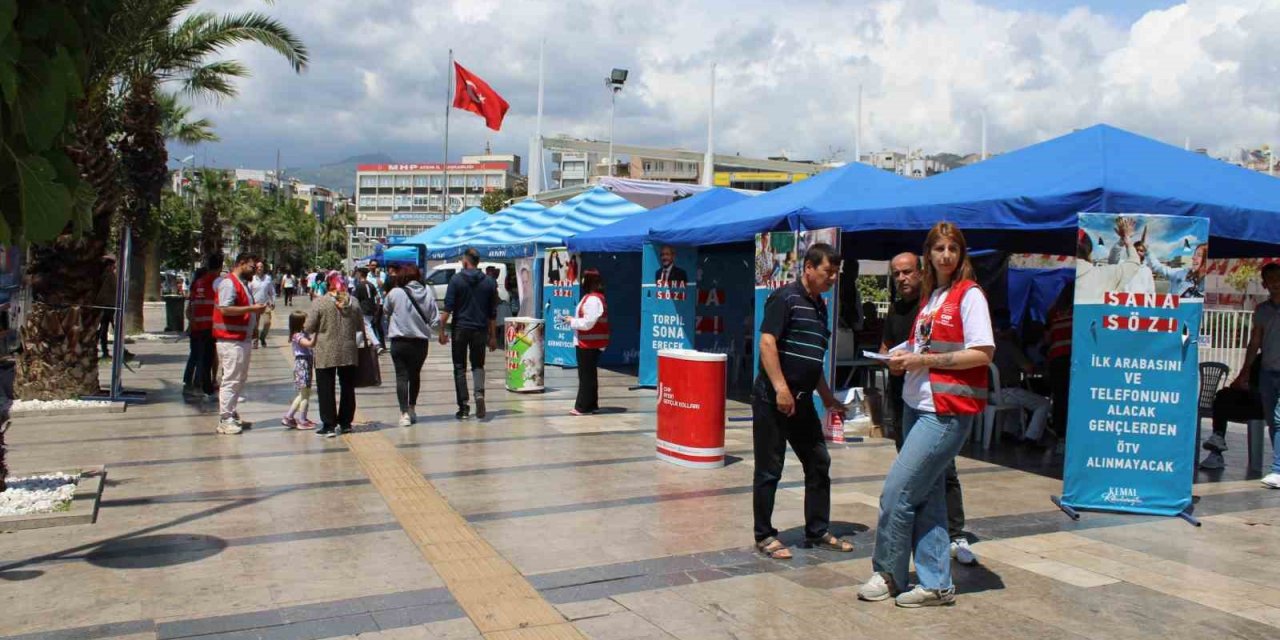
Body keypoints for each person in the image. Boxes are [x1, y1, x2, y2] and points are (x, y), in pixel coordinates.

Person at [860, 222, 994, 608]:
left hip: (945, 410)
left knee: (896, 493)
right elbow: (922, 342)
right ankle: (936, 583)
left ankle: (888, 573)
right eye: (939, 249)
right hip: (917, 405)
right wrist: (901, 355)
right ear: (928, 255)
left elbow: (983, 352)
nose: (946, 255)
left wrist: (922, 358)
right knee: (928, 498)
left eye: (953, 248)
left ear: (961, 253)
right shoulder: (933, 296)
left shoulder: (970, 296)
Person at [752, 243, 853, 561]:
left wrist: (827, 397)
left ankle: (818, 530)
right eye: (828, 271)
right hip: (773, 399)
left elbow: (814, 359)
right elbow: (767, 342)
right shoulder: (784, 298)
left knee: (818, 462)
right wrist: (781, 388)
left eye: (836, 272)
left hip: (803, 400)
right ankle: (765, 535)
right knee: (770, 469)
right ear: (808, 267)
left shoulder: (820, 305)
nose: (833, 278)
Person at [879, 252, 977, 567]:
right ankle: (924, 550)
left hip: (937, 402)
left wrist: (920, 361)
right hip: (905, 399)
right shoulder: (897, 309)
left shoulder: (941, 303)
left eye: (907, 272)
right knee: (914, 479)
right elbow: (889, 347)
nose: (902, 279)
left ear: (922, 272)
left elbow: (978, 350)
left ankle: (955, 533)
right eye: (896, 274)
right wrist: (890, 361)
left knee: (938, 473)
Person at [1230, 263, 1280, 488]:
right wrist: (1245, 371)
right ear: (1265, 283)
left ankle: (1278, 469)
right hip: (1268, 372)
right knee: (1272, 420)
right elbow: (1255, 342)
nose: (1276, 283)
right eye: (1271, 279)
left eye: (1279, 278)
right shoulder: (1262, 311)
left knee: (1279, 418)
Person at [439, 248, 498, 420]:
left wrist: (441, 331)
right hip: (480, 329)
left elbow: (447, 309)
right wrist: (493, 336)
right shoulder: (489, 282)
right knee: (478, 365)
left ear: (465, 261)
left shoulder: (456, 280)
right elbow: (492, 313)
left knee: (459, 367)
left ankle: (463, 407)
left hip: (460, 329)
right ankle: (479, 394)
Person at [213, 253, 268, 435]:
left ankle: (231, 413)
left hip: (240, 339)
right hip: (231, 340)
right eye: (252, 267)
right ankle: (225, 418)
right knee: (231, 379)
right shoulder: (229, 283)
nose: (255, 271)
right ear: (242, 264)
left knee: (239, 378)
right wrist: (252, 309)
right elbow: (225, 308)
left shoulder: (243, 284)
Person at [305, 270, 363, 438]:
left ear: (328, 283)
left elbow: (309, 327)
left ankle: (329, 425)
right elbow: (360, 325)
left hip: (326, 350)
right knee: (347, 387)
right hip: (348, 350)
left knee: (325, 387)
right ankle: (345, 423)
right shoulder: (354, 302)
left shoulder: (320, 303)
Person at [385, 265, 438, 427]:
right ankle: (412, 408)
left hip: (399, 342)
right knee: (415, 375)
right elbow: (435, 320)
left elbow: (386, 310)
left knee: (401, 377)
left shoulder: (395, 293)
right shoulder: (428, 293)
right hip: (420, 343)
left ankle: (404, 414)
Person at [992, 314, 1052, 443]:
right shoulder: (1008, 346)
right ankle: (1032, 438)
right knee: (1043, 404)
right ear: (1004, 331)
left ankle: (1008, 433)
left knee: (1018, 400)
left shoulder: (987, 346)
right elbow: (1028, 368)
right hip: (1006, 390)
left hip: (987, 393)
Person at [1200, 366, 1263, 470]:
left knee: (1224, 398)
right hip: (1252, 401)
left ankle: (1218, 439)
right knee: (1222, 396)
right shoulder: (1257, 361)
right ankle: (1218, 438)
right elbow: (1237, 384)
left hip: (1265, 404)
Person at [567, 269, 608, 416]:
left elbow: (588, 323)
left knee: (585, 376)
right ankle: (591, 404)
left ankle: (582, 406)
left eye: (584, 279)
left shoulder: (593, 300)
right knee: (589, 375)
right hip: (589, 342)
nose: (582, 281)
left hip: (588, 343)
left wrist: (572, 321)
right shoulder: (593, 298)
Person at [1075, 220, 1140, 304]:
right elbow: (1134, 263)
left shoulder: (1055, 274)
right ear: (1089, 252)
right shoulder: (1101, 275)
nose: (1139, 252)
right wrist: (1126, 238)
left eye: (1142, 250)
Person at [1046, 285, 1074, 439]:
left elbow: (1047, 337)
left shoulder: (1054, 311)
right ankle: (1066, 434)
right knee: (1071, 397)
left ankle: (1059, 434)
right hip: (1071, 358)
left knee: (1059, 397)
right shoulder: (1082, 310)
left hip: (1056, 358)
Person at [282, 311, 316, 430]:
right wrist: (317, 333)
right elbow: (309, 344)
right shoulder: (297, 336)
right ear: (300, 323)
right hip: (303, 364)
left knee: (303, 394)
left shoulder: (302, 333)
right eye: (306, 321)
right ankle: (301, 420)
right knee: (304, 394)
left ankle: (290, 417)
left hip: (305, 363)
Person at [352, 268, 385, 351]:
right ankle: (358, 345)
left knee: (367, 327)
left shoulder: (359, 286)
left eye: (357, 274)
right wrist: (376, 307)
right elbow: (378, 297)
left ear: (360, 274)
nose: (356, 275)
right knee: (362, 327)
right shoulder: (370, 284)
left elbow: (354, 300)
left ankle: (377, 344)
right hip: (371, 308)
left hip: (363, 309)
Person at [249, 262, 276, 349]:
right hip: (255, 305)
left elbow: (272, 291)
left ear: (264, 268)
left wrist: (273, 301)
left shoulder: (268, 278)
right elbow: (249, 292)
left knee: (267, 322)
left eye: (261, 266)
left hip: (265, 304)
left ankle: (262, 337)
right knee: (255, 325)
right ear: (255, 269)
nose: (260, 268)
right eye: (258, 267)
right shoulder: (252, 278)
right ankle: (255, 341)